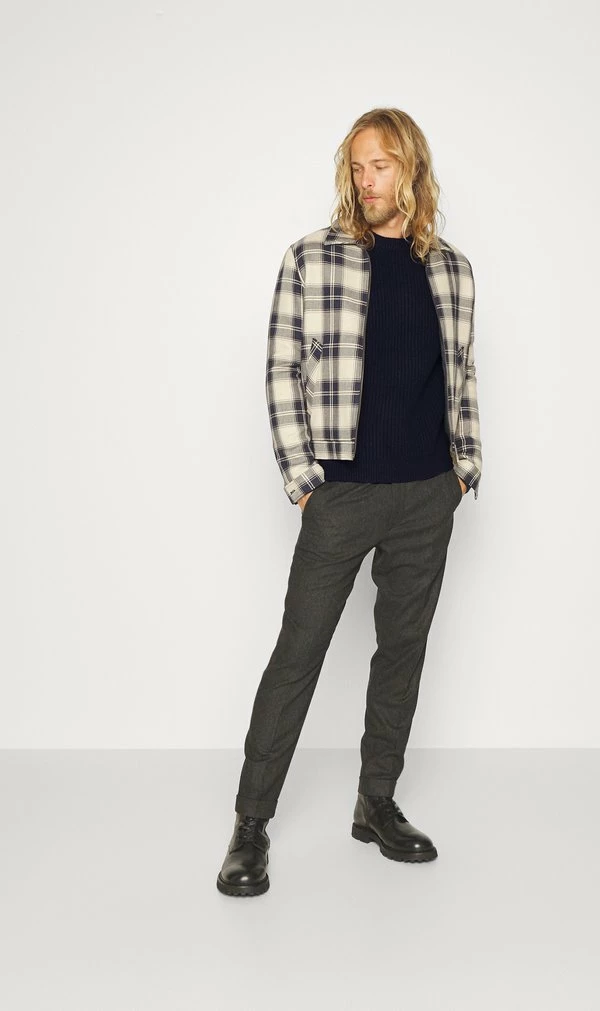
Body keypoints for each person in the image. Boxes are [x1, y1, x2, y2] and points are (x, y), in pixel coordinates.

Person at [217, 107, 483, 897]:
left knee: (402, 653)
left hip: (427, 494)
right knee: (298, 652)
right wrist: (305, 482)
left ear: (412, 169)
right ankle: (251, 823)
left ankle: (376, 803)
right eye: (358, 166)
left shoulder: (454, 270)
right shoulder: (312, 256)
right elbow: (282, 370)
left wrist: (464, 469)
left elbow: (464, 374)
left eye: (382, 165)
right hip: (342, 493)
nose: (367, 180)